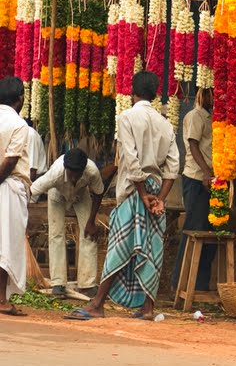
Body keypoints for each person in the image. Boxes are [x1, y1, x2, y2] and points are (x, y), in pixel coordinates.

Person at [67, 71, 179, 321]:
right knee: (152, 248)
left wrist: (142, 195)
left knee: (118, 247)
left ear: (132, 92)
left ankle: (97, 304)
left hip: (134, 191)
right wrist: (158, 197)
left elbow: (130, 157)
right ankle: (148, 308)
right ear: (155, 93)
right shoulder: (166, 123)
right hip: (155, 192)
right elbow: (173, 166)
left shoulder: (127, 117)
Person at [31, 148, 106, 299]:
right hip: (57, 194)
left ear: (83, 169)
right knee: (56, 234)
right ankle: (58, 284)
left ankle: (88, 284)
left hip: (81, 194)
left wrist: (91, 221)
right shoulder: (54, 174)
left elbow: (98, 193)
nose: (74, 178)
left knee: (89, 235)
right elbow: (31, 191)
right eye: (71, 174)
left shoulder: (92, 171)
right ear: (66, 168)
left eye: (78, 174)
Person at [170, 88, 215, 292]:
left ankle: (201, 286)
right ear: (203, 94)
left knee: (211, 234)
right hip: (197, 179)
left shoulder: (212, 116)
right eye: (212, 93)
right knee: (193, 231)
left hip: (211, 180)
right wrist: (206, 172)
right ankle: (180, 284)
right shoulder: (195, 116)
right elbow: (193, 146)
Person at [0, 76, 30, 316]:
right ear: (20, 98)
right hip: (7, 186)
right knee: (6, 246)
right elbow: (10, 160)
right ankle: (1, 299)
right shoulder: (19, 125)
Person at [25, 119, 48, 202]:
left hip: (35, 180)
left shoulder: (30, 135)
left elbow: (32, 170)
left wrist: (27, 192)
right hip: (24, 178)